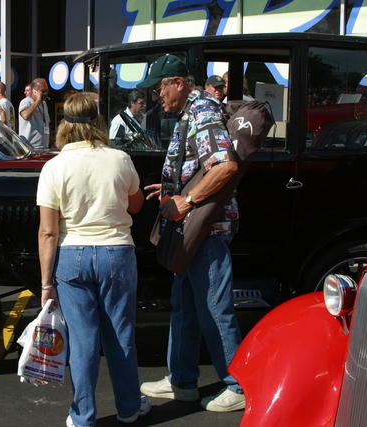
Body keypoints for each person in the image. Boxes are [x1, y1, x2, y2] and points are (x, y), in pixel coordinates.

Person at [136, 54, 245, 412]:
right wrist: (172, 186)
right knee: (184, 305)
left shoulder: (203, 112)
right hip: (194, 229)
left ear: (179, 83)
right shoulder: (193, 112)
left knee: (214, 306)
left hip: (206, 230)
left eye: (159, 89)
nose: (157, 97)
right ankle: (182, 381)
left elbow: (225, 166)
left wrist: (186, 199)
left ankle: (238, 385)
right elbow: (200, 166)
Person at [37, 92, 147, 427]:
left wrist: (45, 283)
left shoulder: (54, 167)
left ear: (64, 125)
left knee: (83, 341)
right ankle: (129, 407)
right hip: (117, 251)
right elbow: (136, 205)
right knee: (121, 335)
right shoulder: (119, 159)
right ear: (99, 121)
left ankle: (83, 416)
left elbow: (48, 232)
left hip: (72, 255)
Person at [19, 77, 50, 149]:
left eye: (46, 91)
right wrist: (38, 100)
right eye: (43, 91)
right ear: (34, 91)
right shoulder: (26, 101)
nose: (45, 93)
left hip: (44, 146)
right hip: (30, 146)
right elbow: (25, 116)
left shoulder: (44, 104)